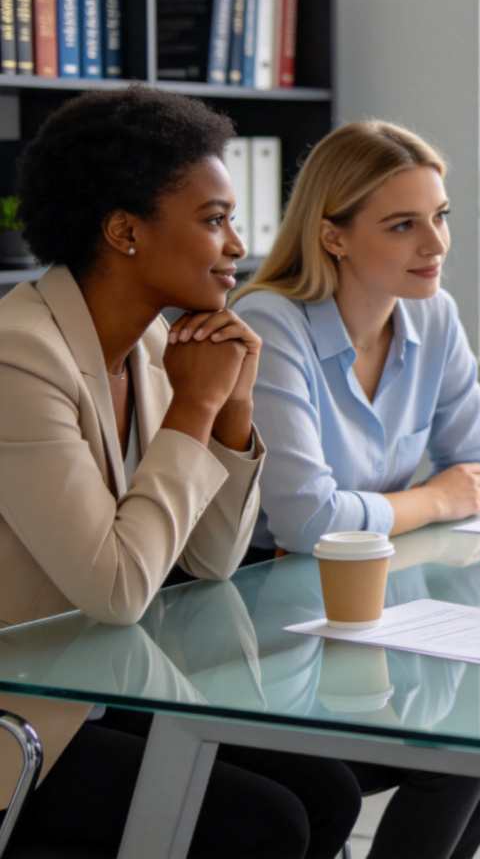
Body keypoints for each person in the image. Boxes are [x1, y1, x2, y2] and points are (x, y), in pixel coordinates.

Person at [0, 86, 360, 859]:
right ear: (124, 231)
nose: (238, 245)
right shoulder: (19, 357)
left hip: (106, 684)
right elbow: (119, 588)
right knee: (267, 825)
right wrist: (194, 410)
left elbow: (210, 561)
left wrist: (230, 411)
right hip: (27, 712)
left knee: (330, 792)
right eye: (213, 219)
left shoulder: (159, 347)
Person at [232, 119, 480, 859]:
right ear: (333, 236)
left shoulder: (434, 315)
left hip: (379, 608)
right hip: (265, 623)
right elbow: (307, 518)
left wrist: (444, 497)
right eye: (403, 225)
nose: (436, 244)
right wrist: (436, 499)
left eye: (440, 217)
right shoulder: (270, 323)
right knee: (454, 755)